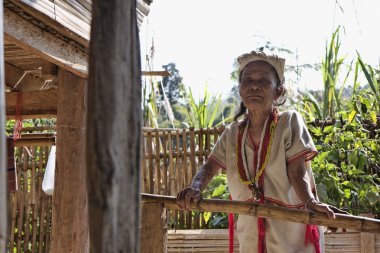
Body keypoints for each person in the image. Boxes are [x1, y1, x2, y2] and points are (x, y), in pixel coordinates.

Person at [177, 51, 336, 253]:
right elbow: (210, 167)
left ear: (278, 92)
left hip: (290, 230)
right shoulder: (232, 133)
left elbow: (297, 171)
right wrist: (195, 187)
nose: (254, 86)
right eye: (248, 81)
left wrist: (311, 202)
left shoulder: (289, 122)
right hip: (250, 229)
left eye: (263, 81)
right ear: (240, 90)